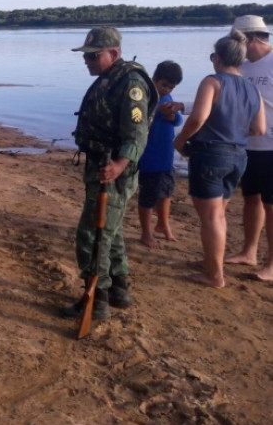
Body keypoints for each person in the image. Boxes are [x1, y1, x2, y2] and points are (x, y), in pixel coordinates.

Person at [60, 27, 156, 321]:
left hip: (113, 170)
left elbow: (137, 133)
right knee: (110, 232)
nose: (87, 60)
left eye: (93, 55)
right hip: (102, 165)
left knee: (92, 234)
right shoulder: (110, 79)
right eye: (86, 55)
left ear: (113, 53)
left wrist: (120, 165)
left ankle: (97, 298)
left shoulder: (131, 83)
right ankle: (119, 289)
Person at [173, 31, 265, 288]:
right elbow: (259, 129)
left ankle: (214, 275)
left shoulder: (212, 82)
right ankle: (213, 263)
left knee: (211, 218)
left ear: (219, 58)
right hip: (239, 156)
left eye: (213, 56)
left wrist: (179, 141)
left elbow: (198, 118)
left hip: (211, 154)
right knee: (219, 213)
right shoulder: (252, 88)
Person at [224, 16, 273, 280]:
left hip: (272, 147)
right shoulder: (242, 66)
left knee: (272, 205)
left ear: (251, 39)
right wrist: (184, 108)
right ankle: (249, 252)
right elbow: (224, 97)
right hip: (247, 145)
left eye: (236, 40)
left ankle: (272, 263)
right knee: (251, 199)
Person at [137, 60, 185, 249]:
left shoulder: (167, 98)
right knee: (148, 197)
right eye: (164, 85)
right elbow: (138, 117)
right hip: (149, 158)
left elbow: (177, 120)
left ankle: (163, 224)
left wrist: (174, 116)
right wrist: (158, 112)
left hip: (166, 158)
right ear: (154, 79)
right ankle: (146, 233)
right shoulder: (145, 96)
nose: (166, 90)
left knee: (166, 193)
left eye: (171, 87)